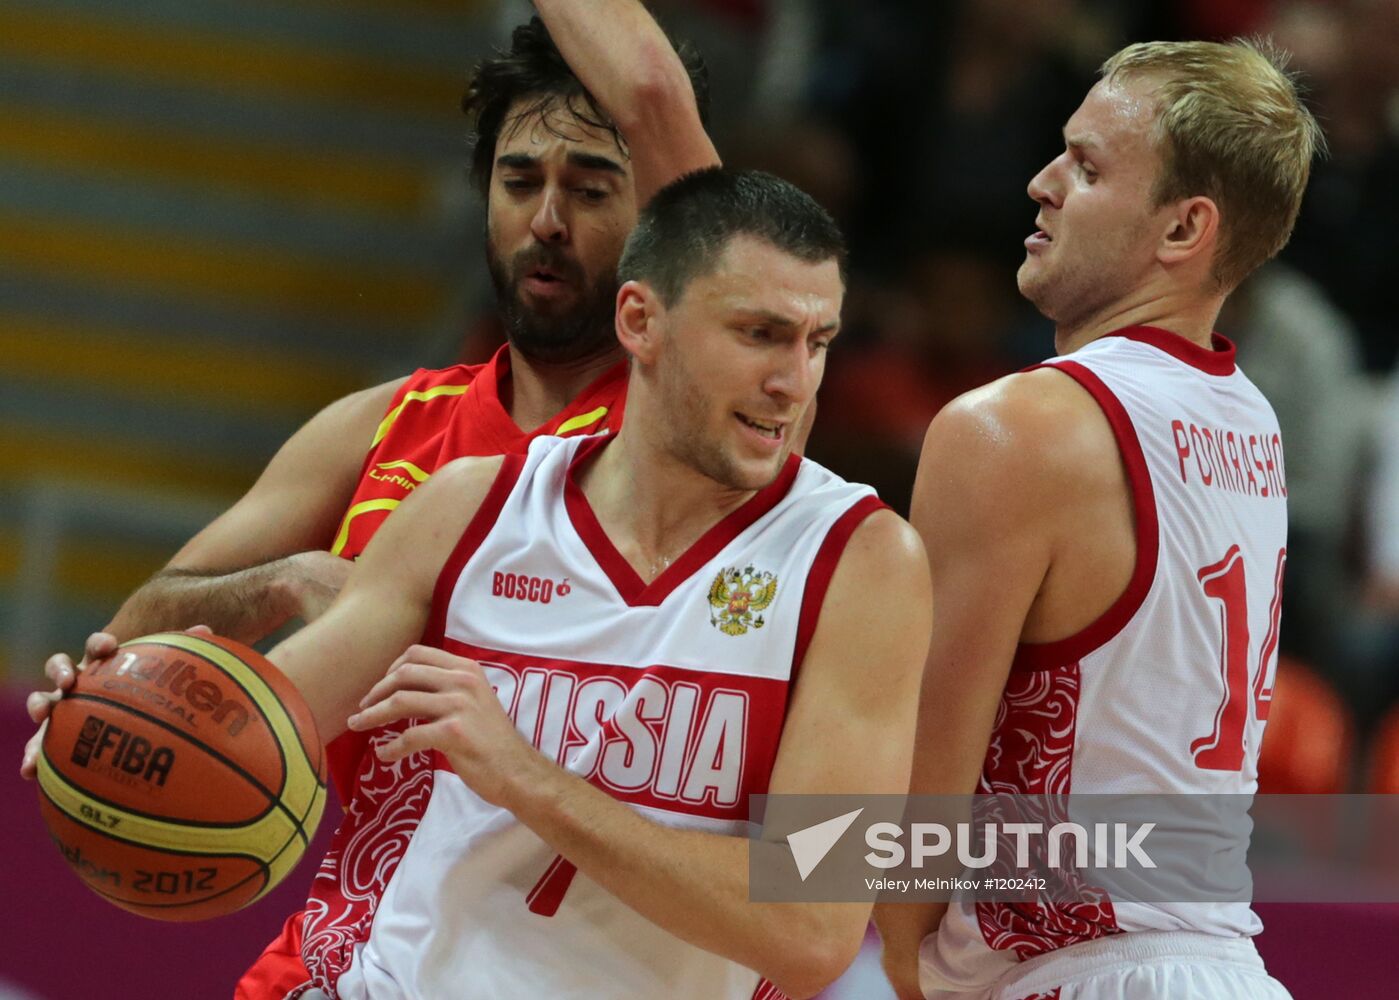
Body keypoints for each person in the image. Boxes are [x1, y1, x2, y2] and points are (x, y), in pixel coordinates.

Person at [221, 169, 928, 998]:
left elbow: (811, 929)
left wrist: (527, 779)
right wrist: (137, 699)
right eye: (759, 334)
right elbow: (256, 730)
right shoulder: (474, 506)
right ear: (640, 320)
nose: (795, 381)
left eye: (817, 341)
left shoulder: (860, 560)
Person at [20, 3, 717, 794]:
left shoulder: (695, 412)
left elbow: (653, 91)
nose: (547, 220)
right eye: (519, 182)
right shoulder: (381, 424)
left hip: (603, 890)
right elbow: (141, 624)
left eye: (591, 191)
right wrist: (285, 582)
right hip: (376, 902)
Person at [875, 39, 1321, 999]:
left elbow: (917, 805)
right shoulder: (1249, 420)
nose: (1039, 183)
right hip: (1225, 967)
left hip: (1078, 970)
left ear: (1181, 230)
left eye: (1085, 167)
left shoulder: (1014, 430)